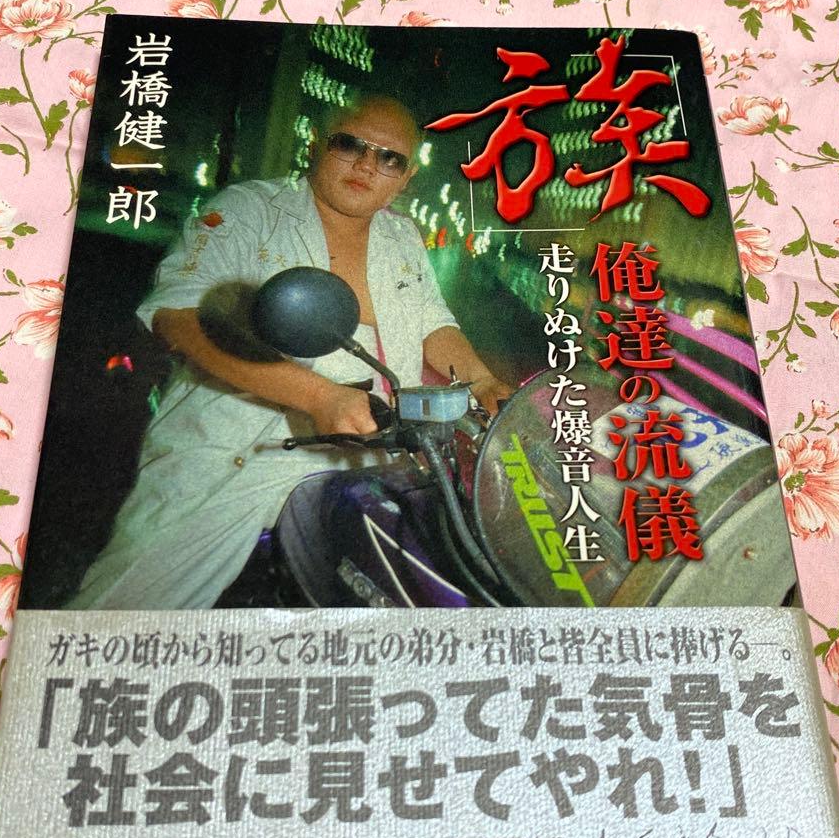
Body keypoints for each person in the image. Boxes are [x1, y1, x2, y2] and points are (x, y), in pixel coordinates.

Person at [70, 94, 511, 609]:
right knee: (128, 612)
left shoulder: (401, 235)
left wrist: (482, 380)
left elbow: (432, 320)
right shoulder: (250, 210)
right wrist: (318, 396)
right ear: (317, 145)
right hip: (240, 452)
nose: (367, 165)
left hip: (369, 458)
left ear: (407, 175)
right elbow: (178, 317)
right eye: (351, 145)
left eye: (389, 158)